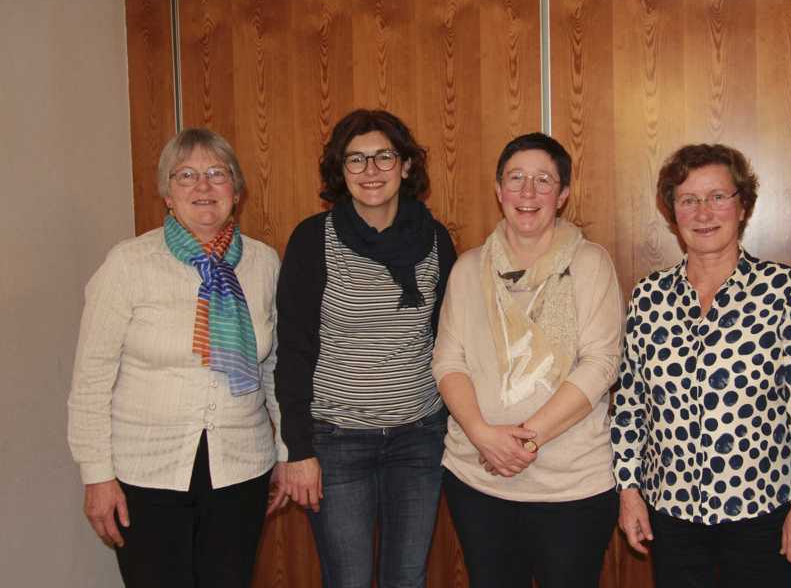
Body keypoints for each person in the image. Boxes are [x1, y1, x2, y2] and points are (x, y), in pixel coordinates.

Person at [611, 143, 791, 587]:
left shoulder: (781, 289)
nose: (704, 212)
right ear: (672, 212)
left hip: (760, 512)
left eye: (718, 197)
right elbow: (629, 405)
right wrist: (629, 490)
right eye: (688, 199)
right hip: (672, 511)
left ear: (742, 207)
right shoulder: (649, 296)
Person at [67, 128, 288, 587]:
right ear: (167, 194)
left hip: (241, 469)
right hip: (145, 473)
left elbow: (275, 371)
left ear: (237, 191)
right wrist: (97, 477)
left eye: (217, 174)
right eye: (185, 175)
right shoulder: (128, 264)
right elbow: (90, 381)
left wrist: (287, 451)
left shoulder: (264, 264)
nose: (203, 187)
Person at [274, 109, 456, 588]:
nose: (371, 171)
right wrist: (297, 449)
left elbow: (449, 344)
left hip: (418, 438)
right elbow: (292, 350)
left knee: (407, 578)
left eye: (383, 157)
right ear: (340, 170)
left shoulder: (435, 240)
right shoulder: (314, 239)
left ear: (407, 166)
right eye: (356, 160)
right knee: (349, 580)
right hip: (336, 442)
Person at [432, 132, 623, 588]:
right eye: (516, 179)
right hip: (478, 478)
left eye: (543, 180)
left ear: (563, 195)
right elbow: (447, 360)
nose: (528, 192)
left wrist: (523, 440)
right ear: (499, 191)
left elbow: (601, 363)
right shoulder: (467, 268)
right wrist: (482, 435)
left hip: (571, 485)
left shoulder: (591, 264)